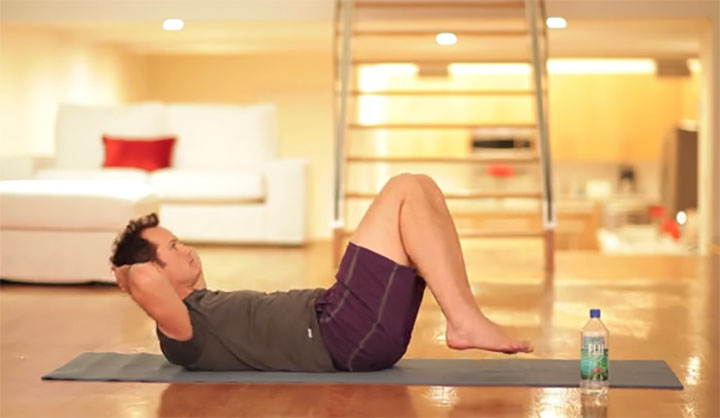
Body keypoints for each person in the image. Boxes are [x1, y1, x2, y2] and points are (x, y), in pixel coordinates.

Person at [111, 173, 533, 372]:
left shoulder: (207, 310)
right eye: (172, 248)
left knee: (421, 188)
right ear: (151, 270)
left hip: (343, 321)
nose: (185, 248)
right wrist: (126, 273)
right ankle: (464, 320)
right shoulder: (185, 332)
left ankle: (464, 317)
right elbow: (144, 282)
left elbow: (149, 278)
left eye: (179, 240)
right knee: (405, 188)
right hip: (341, 332)